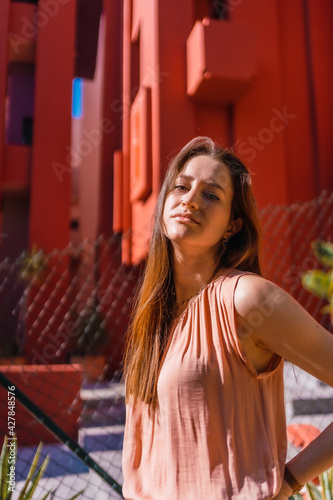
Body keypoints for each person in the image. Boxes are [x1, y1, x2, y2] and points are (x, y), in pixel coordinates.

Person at [122, 136, 333, 499]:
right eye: (182, 186)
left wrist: (289, 482)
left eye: (211, 195)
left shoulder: (246, 299)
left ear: (233, 225)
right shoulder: (153, 314)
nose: (190, 200)